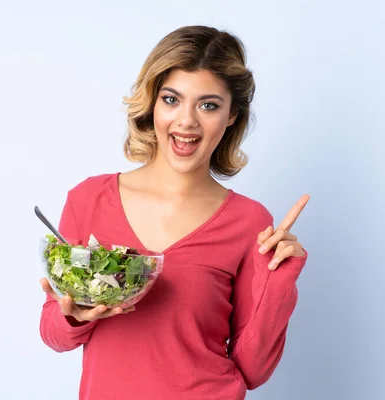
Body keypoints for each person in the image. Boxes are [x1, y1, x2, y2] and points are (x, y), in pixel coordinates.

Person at [39, 25, 309, 400]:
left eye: (208, 105)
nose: (186, 121)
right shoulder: (89, 200)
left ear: (231, 115)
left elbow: (253, 369)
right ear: (152, 103)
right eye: (172, 100)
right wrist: (73, 314)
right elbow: (54, 333)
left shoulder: (250, 223)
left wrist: (279, 281)